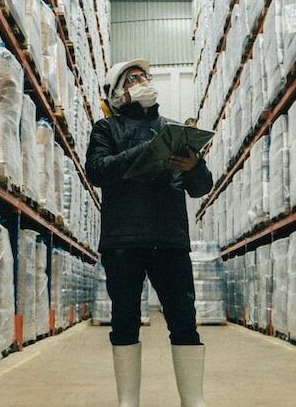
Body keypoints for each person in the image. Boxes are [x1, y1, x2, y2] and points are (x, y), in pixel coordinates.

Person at [85, 59, 213, 407]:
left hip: (170, 239)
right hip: (123, 241)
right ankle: (128, 401)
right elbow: (97, 170)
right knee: (125, 321)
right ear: (116, 94)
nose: (142, 82)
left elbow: (201, 187)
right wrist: (150, 150)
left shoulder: (173, 130)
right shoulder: (106, 129)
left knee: (184, 320)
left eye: (144, 77)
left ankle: (193, 400)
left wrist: (194, 166)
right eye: (132, 79)